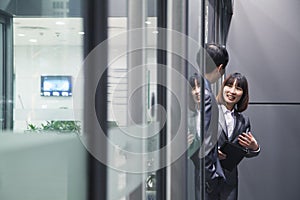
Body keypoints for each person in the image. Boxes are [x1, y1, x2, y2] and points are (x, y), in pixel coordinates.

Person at [190, 43, 229, 200]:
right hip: (206, 178)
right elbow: (206, 142)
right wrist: (211, 178)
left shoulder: (201, 91)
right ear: (220, 68)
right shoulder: (207, 95)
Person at [215, 72, 260, 200]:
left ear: (243, 94)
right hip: (208, 178)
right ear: (223, 87)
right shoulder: (209, 113)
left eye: (238, 88)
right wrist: (212, 152)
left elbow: (244, 151)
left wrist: (254, 147)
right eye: (229, 85)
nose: (232, 91)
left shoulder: (244, 121)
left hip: (229, 182)